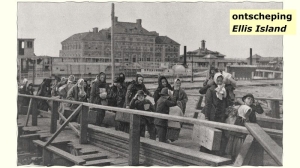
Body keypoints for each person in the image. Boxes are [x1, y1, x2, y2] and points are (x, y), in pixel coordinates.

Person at [201, 72, 229, 155]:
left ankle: (219, 151)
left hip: (221, 114)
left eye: (221, 81)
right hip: (212, 114)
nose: (220, 83)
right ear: (215, 81)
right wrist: (206, 116)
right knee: (210, 132)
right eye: (218, 81)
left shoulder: (224, 90)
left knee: (220, 132)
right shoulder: (211, 90)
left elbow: (225, 102)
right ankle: (207, 150)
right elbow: (208, 104)